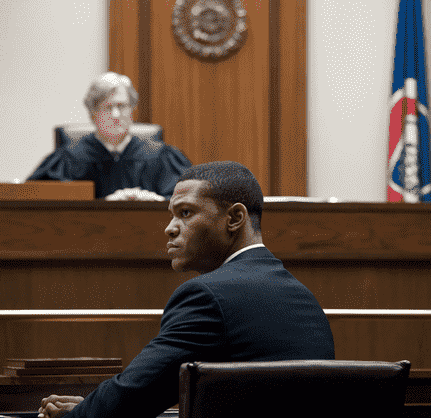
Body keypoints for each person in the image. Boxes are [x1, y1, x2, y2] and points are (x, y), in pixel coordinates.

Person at [37, 161, 335, 418]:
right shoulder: (303, 298)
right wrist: (92, 406)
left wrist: (80, 414)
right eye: (172, 214)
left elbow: (135, 396)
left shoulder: (207, 296)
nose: (170, 228)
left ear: (234, 218)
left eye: (186, 213)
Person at [27, 72, 191, 200]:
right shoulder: (68, 159)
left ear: (132, 110)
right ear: (93, 113)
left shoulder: (161, 156)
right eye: (107, 107)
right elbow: (44, 204)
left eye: (122, 106)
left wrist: (158, 200)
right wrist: (105, 203)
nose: (115, 114)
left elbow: (190, 200)